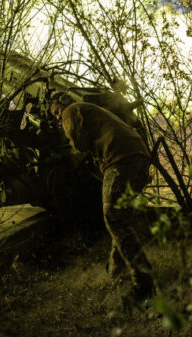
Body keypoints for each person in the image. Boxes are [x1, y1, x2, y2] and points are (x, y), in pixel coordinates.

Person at [49, 92, 155, 300]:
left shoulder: (72, 110)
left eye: (56, 113)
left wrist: (69, 143)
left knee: (112, 215)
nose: (58, 119)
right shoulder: (93, 111)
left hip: (120, 158)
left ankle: (144, 284)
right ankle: (114, 269)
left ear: (63, 106)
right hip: (138, 156)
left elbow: (79, 143)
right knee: (120, 217)